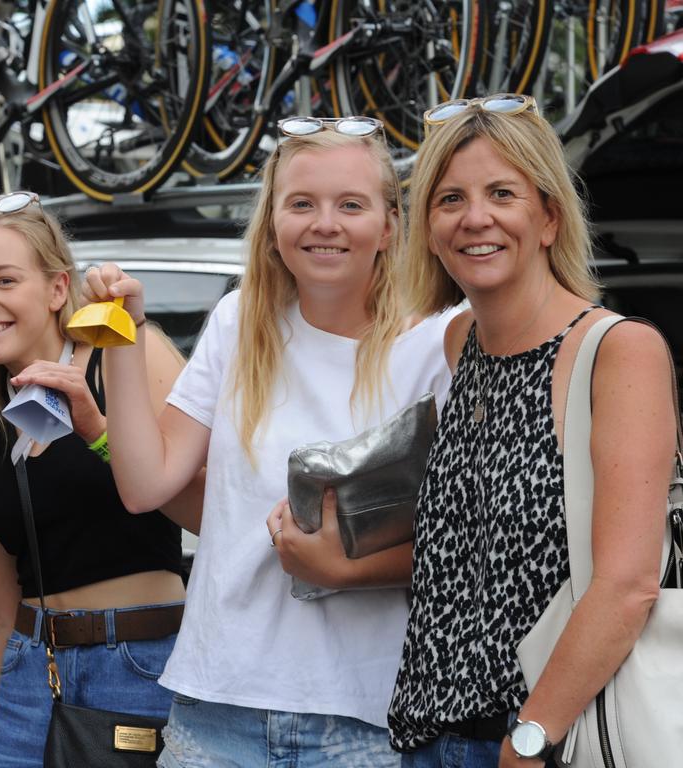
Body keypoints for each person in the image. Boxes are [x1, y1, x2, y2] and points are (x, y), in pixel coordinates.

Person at [84, 118, 458, 766]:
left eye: (350, 205)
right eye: (302, 204)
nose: (325, 223)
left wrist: (344, 568)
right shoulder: (238, 323)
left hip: (361, 721)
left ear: (390, 224)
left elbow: (462, 546)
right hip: (214, 708)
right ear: (274, 220)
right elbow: (145, 485)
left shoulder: (434, 344)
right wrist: (126, 330)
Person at [387, 94, 675, 768]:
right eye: (449, 199)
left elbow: (627, 584)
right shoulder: (459, 344)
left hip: (554, 742)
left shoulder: (616, 351)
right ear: (428, 227)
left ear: (547, 217)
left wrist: (531, 734)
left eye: (501, 193)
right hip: (428, 738)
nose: (475, 218)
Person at [0, 192, 201, 768]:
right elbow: (0, 609)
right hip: (29, 674)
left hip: (136, 665)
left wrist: (96, 429)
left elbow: (211, 508)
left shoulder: (124, 352)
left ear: (56, 289)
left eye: (4, 280)